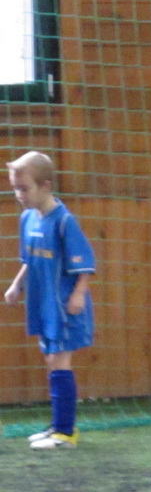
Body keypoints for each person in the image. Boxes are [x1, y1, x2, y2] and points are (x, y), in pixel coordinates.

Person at [4, 152, 95, 450]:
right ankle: (58, 425)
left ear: (45, 185)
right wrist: (16, 285)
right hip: (42, 305)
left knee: (59, 360)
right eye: (15, 188)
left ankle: (66, 432)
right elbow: (29, 260)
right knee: (51, 359)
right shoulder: (27, 218)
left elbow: (85, 263)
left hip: (64, 306)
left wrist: (79, 294)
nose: (19, 195)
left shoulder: (64, 221)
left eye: (24, 188)